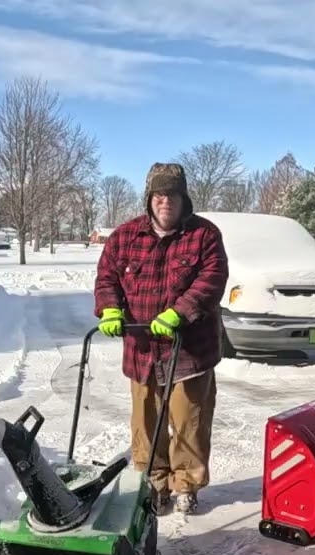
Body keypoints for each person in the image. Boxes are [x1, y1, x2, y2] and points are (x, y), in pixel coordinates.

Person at [92, 162, 229, 516]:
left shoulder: (204, 235)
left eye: (173, 195)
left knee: (189, 421)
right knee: (146, 421)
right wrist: (110, 309)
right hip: (142, 349)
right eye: (159, 194)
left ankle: (186, 485)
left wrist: (179, 313)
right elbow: (107, 277)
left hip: (190, 350)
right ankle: (153, 481)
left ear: (184, 199)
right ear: (149, 198)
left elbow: (212, 279)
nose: (165, 201)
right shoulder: (125, 236)